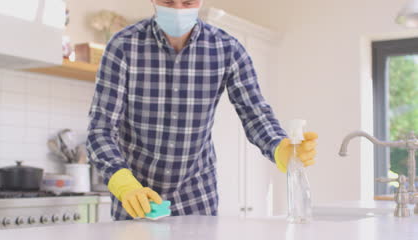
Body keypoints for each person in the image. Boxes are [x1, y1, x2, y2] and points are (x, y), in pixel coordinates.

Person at [87, 0, 318, 220]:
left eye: (187, 3)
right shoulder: (123, 46)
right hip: (135, 201)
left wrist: (279, 148)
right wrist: (123, 182)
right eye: (168, 2)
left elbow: (255, 114)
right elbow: (100, 130)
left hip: (197, 200)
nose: (178, 10)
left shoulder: (227, 49)